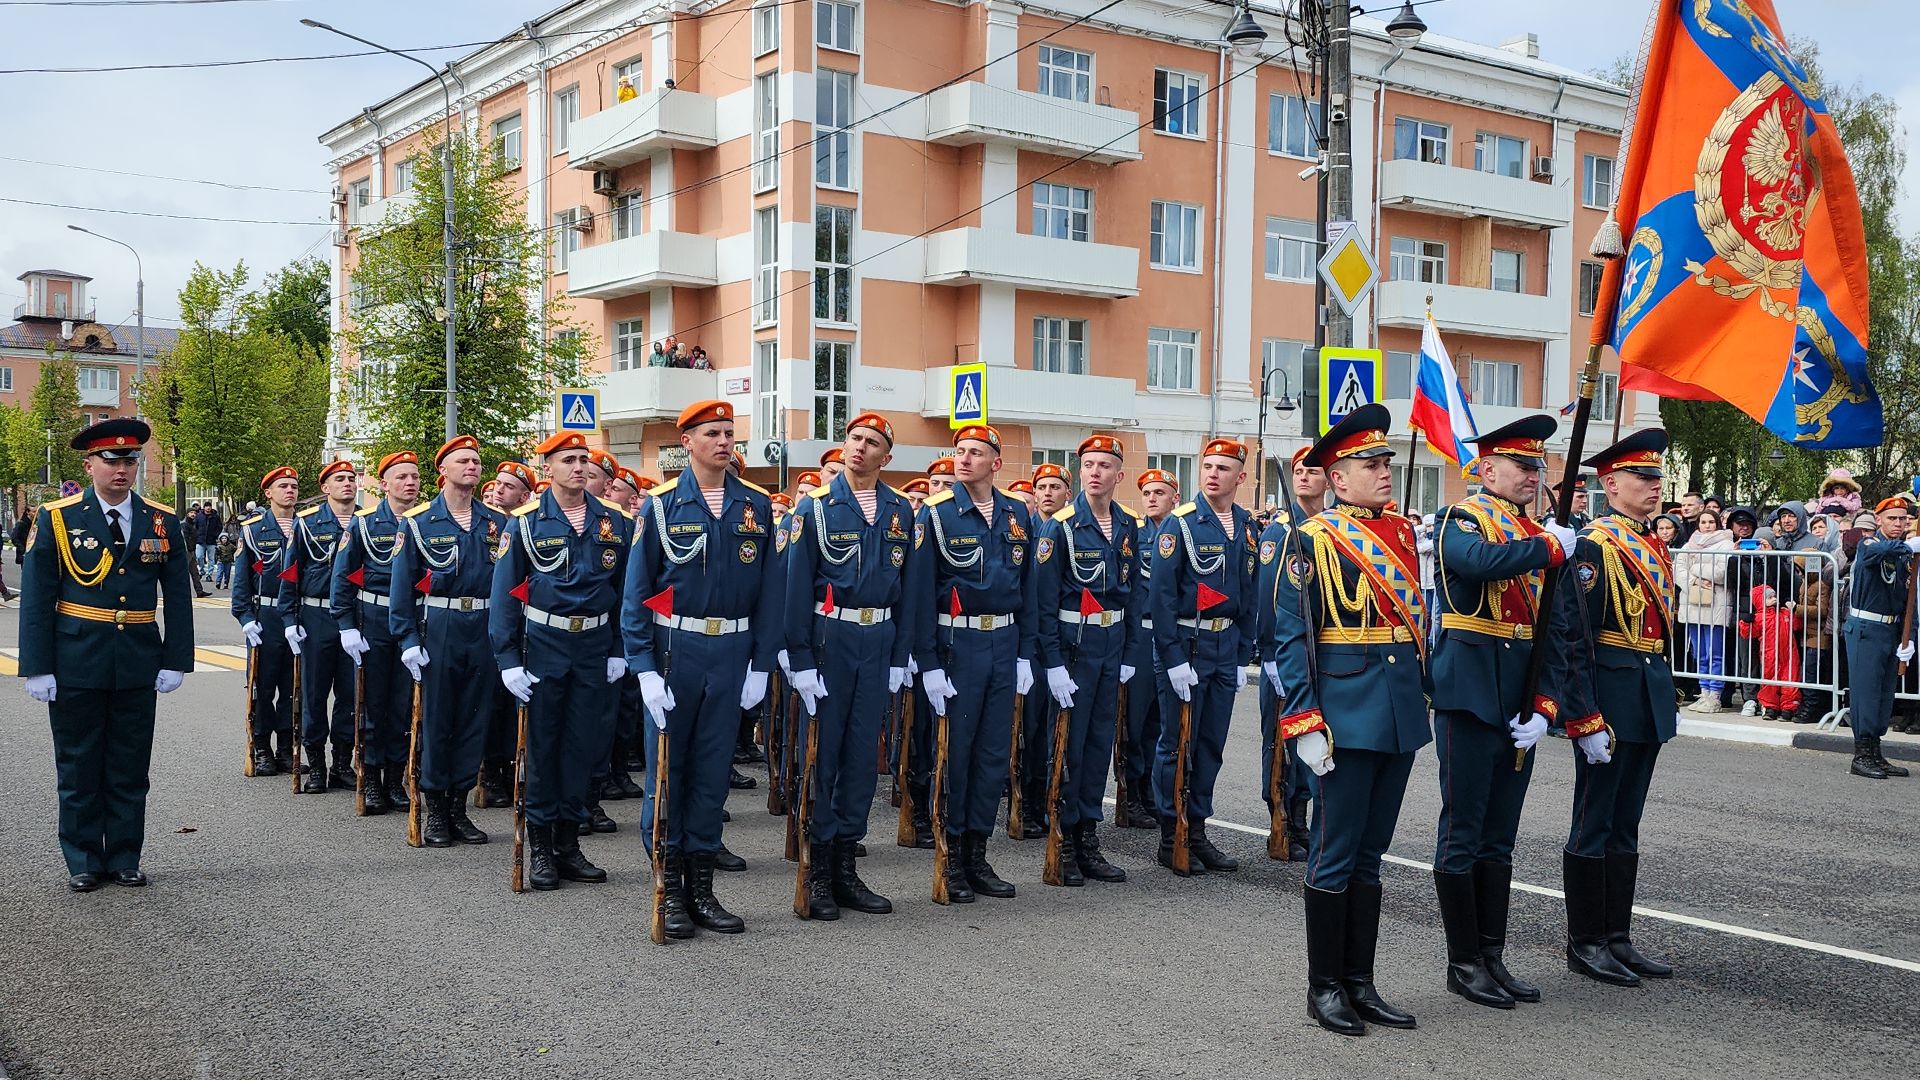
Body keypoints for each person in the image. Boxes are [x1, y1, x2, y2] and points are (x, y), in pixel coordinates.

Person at [1270, 405, 1429, 1034]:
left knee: (1372, 853)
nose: (1384, 471)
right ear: (1337, 479)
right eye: (1370, 464)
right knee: (1336, 852)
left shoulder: (1404, 533)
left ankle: (1360, 981)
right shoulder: (1313, 537)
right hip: (1342, 709)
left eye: (1387, 461)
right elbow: (1291, 632)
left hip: (1397, 710)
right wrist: (1303, 716)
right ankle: (1324, 987)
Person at [1424, 416, 1583, 1011]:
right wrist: (1548, 546)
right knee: (1463, 830)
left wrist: (1546, 707)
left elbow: (1554, 632)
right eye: (1522, 467)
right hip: (1468, 694)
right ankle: (1462, 961)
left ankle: (1492, 955)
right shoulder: (1461, 518)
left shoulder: (1539, 534)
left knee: (1500, 838)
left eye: (1538, 468)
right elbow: (1477, 563)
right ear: (1487, 470)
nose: (1532, 477)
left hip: (1518, 700)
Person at [622, 400, 778, 937]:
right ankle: (668, 889)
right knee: (669, 773)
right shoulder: (659, 507)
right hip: (675, 653)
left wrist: (761, 664)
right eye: (711, 433)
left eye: (729, 432)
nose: (723, 441)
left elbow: (770, 595)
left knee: (712, 776)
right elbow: (639, 594)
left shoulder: (756, 504)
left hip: (731, 654)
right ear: (685, 441)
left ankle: (702, 888)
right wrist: (643, 667)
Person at [19, 418, 192, 891]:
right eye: (111, 460)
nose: (122, 468)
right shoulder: (58, 517)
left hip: (137, 657)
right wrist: (37, 666)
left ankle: (124, 856)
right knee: (78, 765)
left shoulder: (162, 520)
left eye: (131, 459)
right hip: (76, 659)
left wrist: (176, 657)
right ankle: (82, 859)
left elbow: (177, 595)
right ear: (89, 463)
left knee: (130, 765)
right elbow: (37, 597)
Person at [788, 413, 917, 917]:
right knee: (822, 757)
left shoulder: (901, 511)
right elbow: (795, 589)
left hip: (878, 638)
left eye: (872, 443)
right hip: (829, 639)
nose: (859, 448)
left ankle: (846, 867)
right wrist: (798, 658)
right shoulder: (815, 509)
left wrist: (899, 657)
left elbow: (909, 592)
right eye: (854, 438)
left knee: (863, 759)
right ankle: (817, 871)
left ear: (887, 457)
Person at [1563, 428, 1678, 988]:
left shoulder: (1651, 542)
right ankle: (1585, 941)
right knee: (1595, 821)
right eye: (1642, 477)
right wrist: (1583, 715)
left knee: (1626, 824)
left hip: (1646, 690)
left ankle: (1617, 937)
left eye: (1657, 477)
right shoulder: (1595, 546)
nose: (1654, 487)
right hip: (1608, 694)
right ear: (1611, 485)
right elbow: (1577, 637)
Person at [490, 432, 631, 886]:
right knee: (543, 747)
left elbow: (626, 593)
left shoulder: (614, 521)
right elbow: (505, 598)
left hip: (593, 647)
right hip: (544, 645)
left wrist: (618, 650)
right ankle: (541, 847)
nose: (578, 467)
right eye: (568, 460)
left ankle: (569, 844)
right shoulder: (526, 523)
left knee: (583, 748)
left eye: (583, 459)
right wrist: (508, 658)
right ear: (547, 467)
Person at [1032, 434, 1140, 886]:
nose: (1095, 472)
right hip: (1073, 650)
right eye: (1088, 464)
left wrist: (1131, 651)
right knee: (1069, 749)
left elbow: (1134, 595)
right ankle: (1063, 838)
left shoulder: (1128, 525)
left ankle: (1088, 839)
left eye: (1104, 465)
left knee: (1098, 748)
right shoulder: (1059, 526)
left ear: (1119, 473)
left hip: (1111, 646)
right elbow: (1041, 603)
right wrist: (1052, 663)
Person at [392, 438, 511, 849]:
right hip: (439, 623)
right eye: (463, 461)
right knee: (439, 719)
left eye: (477, 461)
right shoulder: (419, 522)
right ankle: (436, 810)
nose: (473, 467)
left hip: (483, 624)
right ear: (443, 470)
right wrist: (407, 638)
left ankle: (459, 807)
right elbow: (402, 589)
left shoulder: (497, 522)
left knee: (474, 719)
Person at [1149, 437, 1256, 877]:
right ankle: (1170, 833)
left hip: (1223, 647)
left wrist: (1242, 654)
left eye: (1223, 468)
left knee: (1210, 744)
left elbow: (1249, 597)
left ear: (1241, 477)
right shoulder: (1181, 524)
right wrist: (1173, 659)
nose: (1213, 474)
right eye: (1208, 466)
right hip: (1187, 648)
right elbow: (1160, 598)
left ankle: (1197, 830)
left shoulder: (1248, 525)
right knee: (1177, 744)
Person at [329, 451, 421, 816]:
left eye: (414, 476)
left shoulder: (424, 522)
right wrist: (346, 625)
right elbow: (341, 577)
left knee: (402, 705)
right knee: (371, 704)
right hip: (374, 621)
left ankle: (395, 778)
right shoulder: (364, 524)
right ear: (384, 485)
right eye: (401, 477)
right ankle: (369, 777)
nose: (410, 483)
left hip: (412, 623)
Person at [1254, 446, 1327, 862]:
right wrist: (1269, 655)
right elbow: (1268, 597)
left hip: (1323, 652)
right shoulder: (1279, 531)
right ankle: (1285, 821)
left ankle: (1308, 821)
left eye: (1311, 470)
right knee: (1282, 743)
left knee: (1316, 737)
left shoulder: (1331, 528)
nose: (1302, 477)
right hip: (1285, 653)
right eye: (1298, 471)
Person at [277, 459, 362, 795]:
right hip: (316, 617)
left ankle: (342, 763)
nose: (348, 484)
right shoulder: (308, 523)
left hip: (355, 619)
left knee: (350, 694)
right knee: (314, 694)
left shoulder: (365, 522)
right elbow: (291, 572)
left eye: (352, 479)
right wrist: (289, 619)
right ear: (325, 488)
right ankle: (316, 765)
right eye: (339, 479)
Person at [1838, 495, 1918, 780]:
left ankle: (1875, 752)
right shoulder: (1869, 543)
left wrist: (1909, 639)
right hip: (1866, 630)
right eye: (1892, 518)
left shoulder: (1905, 555)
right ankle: (1861, 755)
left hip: (1890, 630)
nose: (1899, 523)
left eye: (1903, 519)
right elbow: (1876, 553)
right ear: (1879, 520)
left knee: (1884, 696)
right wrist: (1907, 545)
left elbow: (1908, 599)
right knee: (1866, 695)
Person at [1116, 468, 1178, 831]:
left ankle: (1153, 794)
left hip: (1168, 636)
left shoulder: (1182, 534)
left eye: (1160, 492)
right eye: (1147, 492)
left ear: (1175, 497)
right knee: (1133, 722)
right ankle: (1131, 794)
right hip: (1140, 635)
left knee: (1160, 720)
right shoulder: (1134, 538)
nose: (1152, 498)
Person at [477, 460, 537, 808]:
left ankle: (514, 768)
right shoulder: (484, 522)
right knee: (493, 703)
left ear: (525, 495)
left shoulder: (527, 526)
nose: (498, 491)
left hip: (526, 624)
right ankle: (490, 771)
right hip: (490, 622)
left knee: (516, 703)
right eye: (497, 484)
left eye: (508, 486)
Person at [234, 468, 301, 776]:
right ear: (268, 493)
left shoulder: (306, 527)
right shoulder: (253, 530)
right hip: (266, 618)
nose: (290, 491)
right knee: (263, 686)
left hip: (299, 619)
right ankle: (262, 747)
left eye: (294, 486)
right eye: (283, 486)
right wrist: (246, 618)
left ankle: (286, 748)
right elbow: (242, 584)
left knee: (293, 687)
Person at [1676, 509, 1735, 713]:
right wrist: (1695, 579)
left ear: (1717, 523)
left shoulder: (1726, 543)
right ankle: (1704, 691)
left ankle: (1715, 695)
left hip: (1715, 604)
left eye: (1711, 521)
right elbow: (1678, 568)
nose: (1707, 525)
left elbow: (1721, 572)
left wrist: (1696, 568)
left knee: (1714, 652)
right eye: (1703, 522)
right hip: (1693, 601)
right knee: (1699, 652)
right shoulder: (1690, 543)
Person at [1738, 585, 1801, 721]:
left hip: (1789, 654)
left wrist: (1793, 611)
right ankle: (1770, 707)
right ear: (1760, 600)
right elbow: (1747, 633)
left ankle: (1789, 708)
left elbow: (1797, 625)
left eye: (1774, 596)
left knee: (1790, 679)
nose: (1774, 599)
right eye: (1770, 597)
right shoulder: (1759, 617)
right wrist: (1745, 623)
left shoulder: (1784, 613)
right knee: (1768, 681)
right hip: (1769, 655)